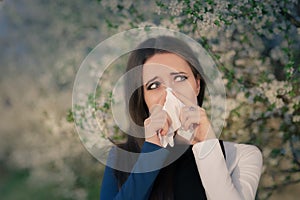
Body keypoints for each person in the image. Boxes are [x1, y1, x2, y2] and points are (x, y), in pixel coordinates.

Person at [100, 36, 263, 200]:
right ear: (143, 98)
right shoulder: (121, 158)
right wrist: (151, 151)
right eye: (154, 85)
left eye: (180, 78)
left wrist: (207, 144)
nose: (169, 92)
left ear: (197, 85)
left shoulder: (241, 156)